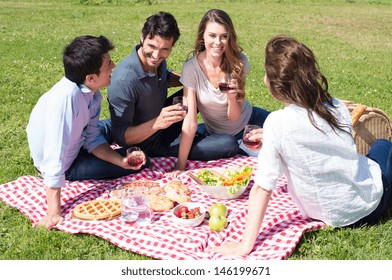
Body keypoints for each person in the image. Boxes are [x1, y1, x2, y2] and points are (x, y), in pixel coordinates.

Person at [209, 34, 392, 256]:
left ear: (275, 85)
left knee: (380, 149)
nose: (264, 78)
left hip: (324, 211)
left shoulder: (278, 123)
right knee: (382, 145)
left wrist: (244, 245)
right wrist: (273, 138)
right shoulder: (334, 105)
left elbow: (263, 187)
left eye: (267, 73)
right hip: (363, 206)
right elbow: (324, 143)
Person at [26, 35, 148, 230]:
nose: (114, 66)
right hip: (69, 163)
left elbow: (92, 136)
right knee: (142, 163)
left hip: (79, 139)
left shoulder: (91, 91)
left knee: (121, 137)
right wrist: (54, 213)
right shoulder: (66, 101)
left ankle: (125, 151)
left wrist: (120, 160)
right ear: (90, 77)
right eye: (108, 64)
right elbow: (54, 157)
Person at [107, 11, 238, 164]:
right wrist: (157, 123)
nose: (156, 55)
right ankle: (194, 137)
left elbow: (167, 77)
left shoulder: (156, 63)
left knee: (193, 92)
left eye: (165, 49)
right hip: (149, 143)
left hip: (165, 122)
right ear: (142, 37)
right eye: (152, 46)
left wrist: (196, 79)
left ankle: (192, 133)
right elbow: (121, 137)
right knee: (228, 144)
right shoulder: (124, 81)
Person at [173, 9, 270, 174]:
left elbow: (234, 116)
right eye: (212, 35)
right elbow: (190, 122)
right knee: (269, 155)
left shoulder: (238, 63)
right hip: (226, 137)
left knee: (288, 138)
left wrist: (232, 98)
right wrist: (180, 165)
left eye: (223, 36)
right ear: (202, 35)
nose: (218, 42)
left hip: (252, 119)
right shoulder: (191, 69)